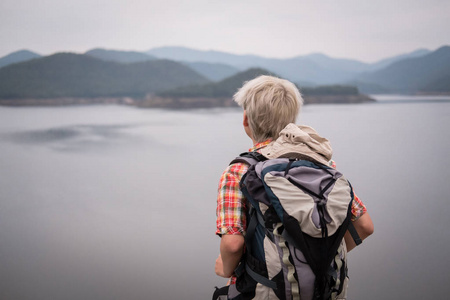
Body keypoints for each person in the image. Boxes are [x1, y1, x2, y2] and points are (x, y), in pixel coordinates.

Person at [214, 75, 374, 290]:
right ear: (291, 120)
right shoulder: (320, 164)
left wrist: (225, 268)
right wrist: (312, 263)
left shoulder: (239, 171)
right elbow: (364, 226)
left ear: (245, 119)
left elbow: (233, 245)